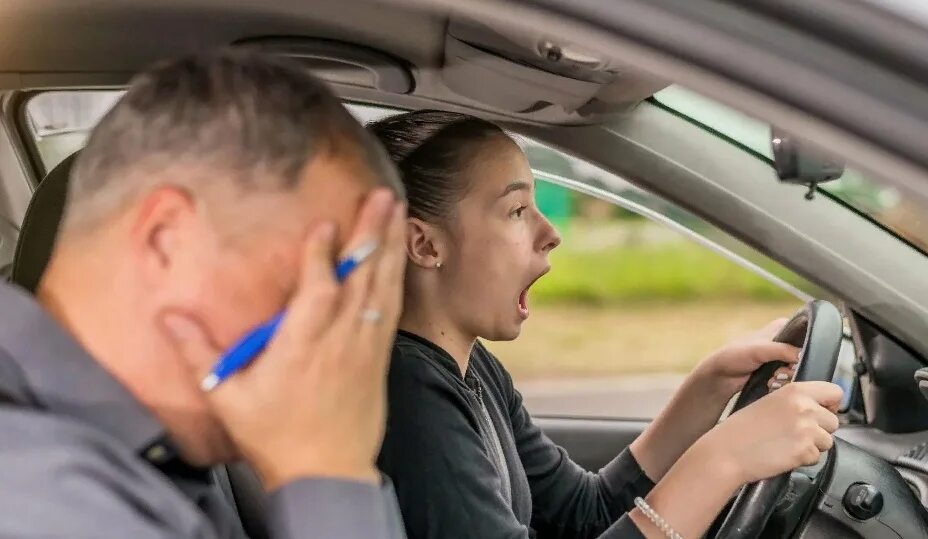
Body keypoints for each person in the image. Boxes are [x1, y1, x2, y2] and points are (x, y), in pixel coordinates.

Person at [369, 110, 843, 539]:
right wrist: (725, 459)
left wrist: (711, 384)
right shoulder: (409, 394)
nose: (550, 234)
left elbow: (584, 513)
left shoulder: (471, 371)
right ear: (425, 245)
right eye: (516, 211)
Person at [0, 50, 409, 538]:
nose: (333, 350)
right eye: (312, 289)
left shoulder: (153, 453)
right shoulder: (39, 491)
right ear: (165, 240)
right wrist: (327, 473)